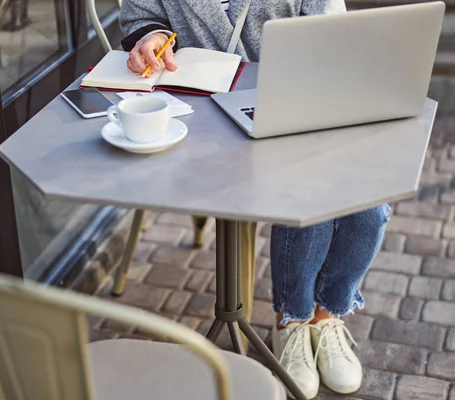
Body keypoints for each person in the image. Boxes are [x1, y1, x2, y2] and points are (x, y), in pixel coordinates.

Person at [119, 1, 391, 398]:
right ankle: (292, 320)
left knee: (370, 206)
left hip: (300, 104)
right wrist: (152, 37)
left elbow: (332, 34)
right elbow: (138, 13)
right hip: (202, 126)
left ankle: (326, 314)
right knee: (305, 194)